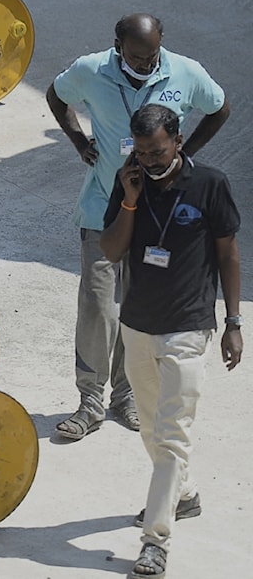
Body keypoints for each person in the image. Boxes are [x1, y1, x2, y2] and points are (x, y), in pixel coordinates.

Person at [46, 13, 230, 440]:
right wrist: (78, 141)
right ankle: (89, 400)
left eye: (153, 56)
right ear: (117, 46)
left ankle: (125, 397)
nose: (147, 64)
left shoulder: (185, 71)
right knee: (97, 305)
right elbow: (57, 96)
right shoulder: (91, 70)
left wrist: (187, 155)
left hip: (158, 213)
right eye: (137, 56)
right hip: (102, 209)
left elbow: (220, 108)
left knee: (136, 307)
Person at [99, 103, 242, 579]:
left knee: (173, 434)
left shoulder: (210, 185)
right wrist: (130, 198)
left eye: (157, 151)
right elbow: (112, 250)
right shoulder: (130, 183)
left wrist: (234, 321)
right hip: (137, 325)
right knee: (148, 430)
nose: (149, 159)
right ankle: (184, 494)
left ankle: (155, 541)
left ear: (178, 141)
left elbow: (229, 256)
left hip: (188, 326)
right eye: (141, 151)